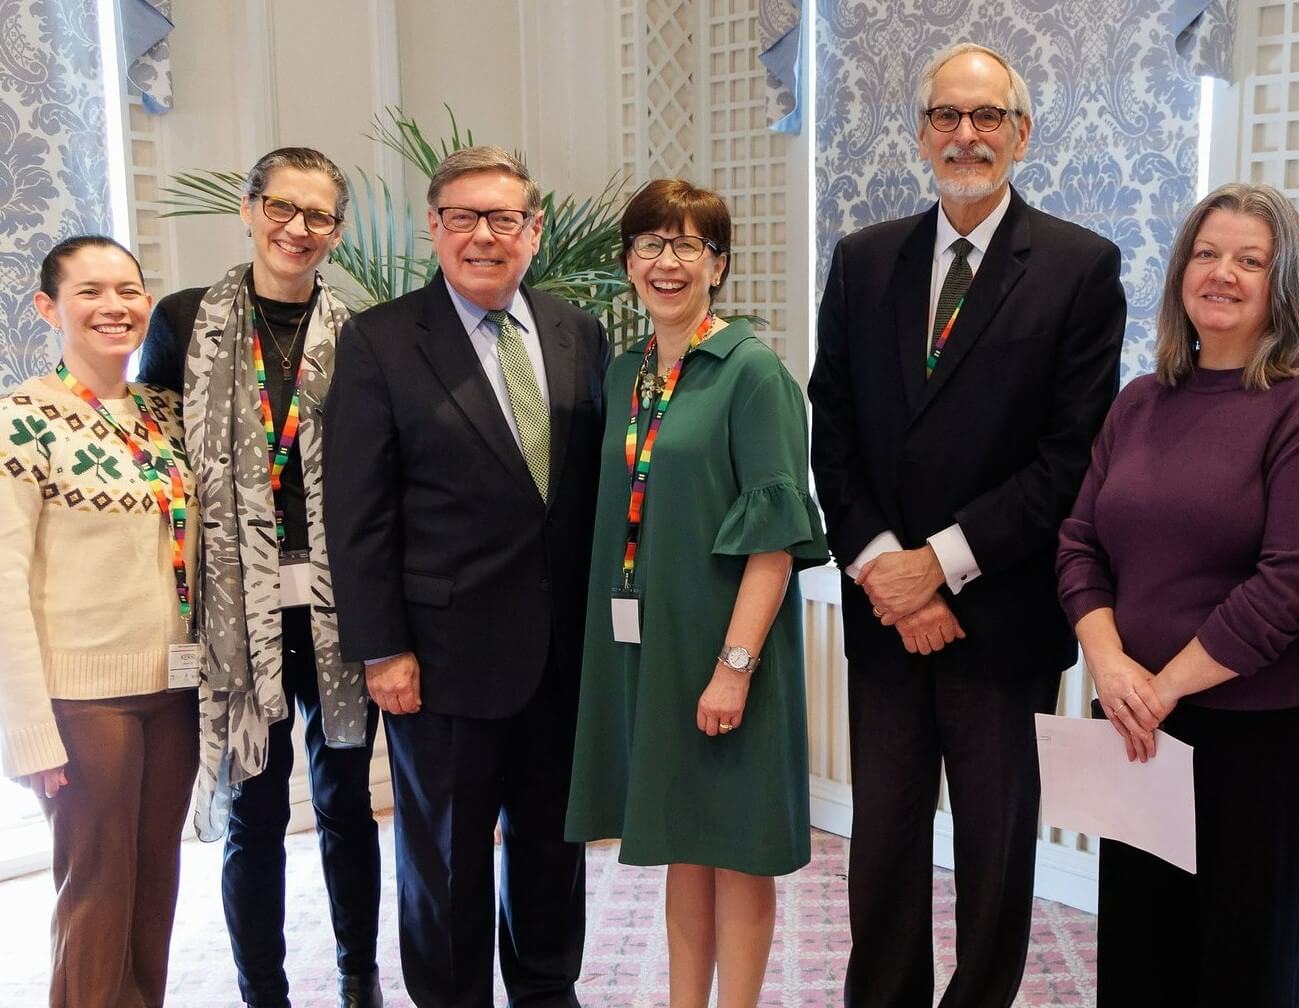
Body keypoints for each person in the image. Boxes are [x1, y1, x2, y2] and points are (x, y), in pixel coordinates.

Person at [808, 41, 1125, 1006]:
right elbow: (833, 428)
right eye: (945, 115)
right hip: (885, 619)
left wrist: (939, 565)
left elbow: (1070, 457)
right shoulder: (863, 261)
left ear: (1021, 133)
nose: (965, 134)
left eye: (987, 117)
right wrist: (885, 569)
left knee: (994, 856)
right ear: (920, 134)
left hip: (1002, 621)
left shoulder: (1078, 267)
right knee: (883, 851)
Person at [1056, 183, 1299, 1006]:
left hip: (1261, 736)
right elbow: (1079, 542)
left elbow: (1290, 586)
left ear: (1282, 283)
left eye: (1249, 260)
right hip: (1140, 726)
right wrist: (1109, 664)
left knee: (1240, 970)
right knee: (1138, 961)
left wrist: (1158, 688)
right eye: (1205, 253)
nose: (1221, 273)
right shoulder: (1140, 401)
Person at [324, 145, 608, 1008]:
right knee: (445, 857)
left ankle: (547, 989)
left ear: (534, 230)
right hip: (439, 658)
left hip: (561, 653)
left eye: (504, 218)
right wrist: (382, 649)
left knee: (552, 846)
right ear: (433, 227)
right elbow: (357, 511)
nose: (484, 235)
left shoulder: (577, 332)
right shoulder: (380, 340)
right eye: (463, 217)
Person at [565, 178, 827, 1008]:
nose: (666, 262)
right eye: (650, 244)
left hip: (727, 650)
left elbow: (775, 543)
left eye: (688, 245)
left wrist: (734, 667)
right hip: (653, 647)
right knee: (683, 840)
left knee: (736, 848)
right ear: (627, 263)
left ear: (718, 264)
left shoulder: (752, 374)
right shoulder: (626, 375)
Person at [137, 145, 382, 1008]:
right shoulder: (183, 319)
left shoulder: (362, 334)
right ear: (248, 209)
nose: (297, 228)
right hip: (233, 606)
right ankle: (262, 990)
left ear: (336, 232)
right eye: (282, 207)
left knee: (345, 800)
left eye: (319, 216)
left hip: (338, 600)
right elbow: (157, 457)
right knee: (256, 809)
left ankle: (357, 975)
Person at [0, 236, 198, 1007]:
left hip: (173, 691)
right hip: (82, 702)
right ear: (49, 308)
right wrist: (27, 731)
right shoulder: (22, 420)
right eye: (89, 292)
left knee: (155, 887)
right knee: (96, 891)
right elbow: (4, 586)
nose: (113, 307)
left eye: (127, 290)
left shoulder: (165, 413)